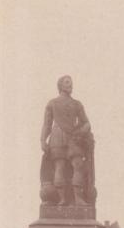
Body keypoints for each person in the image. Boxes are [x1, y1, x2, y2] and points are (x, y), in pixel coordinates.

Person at [40, 75, 93, 206]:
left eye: (71, 83)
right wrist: (42, 140)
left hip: (73, 137)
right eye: (67, 82)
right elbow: (47, 124)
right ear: (60, 85)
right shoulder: (52, 103)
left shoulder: (77, 104)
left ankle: (78, 198)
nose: (70, 85)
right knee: (60, 166)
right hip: (58, 136)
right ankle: (62, 199)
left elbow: (86, 123)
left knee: (78, 164)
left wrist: (81, 131)